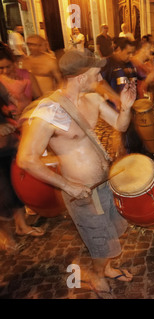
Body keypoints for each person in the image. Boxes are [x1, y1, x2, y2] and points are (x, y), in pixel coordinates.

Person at [16, 49, 136, 296]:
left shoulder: (92, 100)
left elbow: (120, 125)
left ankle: (107, 268)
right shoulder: (49, 112)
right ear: (81, 76)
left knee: (114, 231)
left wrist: (125, 107)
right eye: (96, 73)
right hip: (81, 193)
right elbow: (26, 159)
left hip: (105, 184)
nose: (100, 78)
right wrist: (67, 186)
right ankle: (95, 275)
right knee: (100, 243)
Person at [0, 79, 44, 253]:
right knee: (2, 196)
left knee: (14, 188)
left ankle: (21, 226)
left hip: (7, 148)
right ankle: (6, 236)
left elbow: (11, 109)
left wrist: (13, 118)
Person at [0, 43, 41, 117]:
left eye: (8, 66)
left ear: (14, 63)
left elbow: (39, 98)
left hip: (27, 116)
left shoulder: (26, 75)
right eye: (1, 68)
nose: (5, 71)